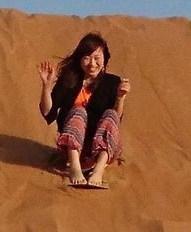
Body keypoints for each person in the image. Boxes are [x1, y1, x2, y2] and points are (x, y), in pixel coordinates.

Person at [38, 32, 130, 189]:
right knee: (78, 111)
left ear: (105, 59)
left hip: (103, 149)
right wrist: (46, 87)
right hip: (72, 150)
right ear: (80, 59)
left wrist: (120, 97)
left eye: (97, 58)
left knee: (111, 114)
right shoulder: (69, 81)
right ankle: (75, 169)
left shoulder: (112, 82)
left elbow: (116, 120)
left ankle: (98, 171)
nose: (92, 63)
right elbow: (48, 113)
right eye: (87, 58)